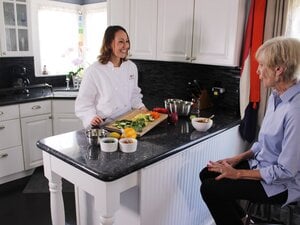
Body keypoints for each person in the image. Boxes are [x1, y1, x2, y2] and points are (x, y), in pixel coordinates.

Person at [199, 37, 300, 225]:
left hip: (281, 184)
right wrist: (239, 158)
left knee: (211, 189)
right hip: (261, 166)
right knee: (207, 173)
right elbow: (264, 143)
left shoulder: (296, 110)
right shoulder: (276, 97)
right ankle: (243, 220)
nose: (258, 71)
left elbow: (287, 171)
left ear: (279, 70)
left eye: (262, 65)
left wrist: (237, 174)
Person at [75, 25, 146, 128]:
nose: (126, 46)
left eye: (127, 41)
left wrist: (141, 107)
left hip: (127, 123)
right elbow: (83, 103)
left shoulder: (131, 67)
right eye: (121, 42)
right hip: (104, 125)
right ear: (108, 44)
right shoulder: (94, 71)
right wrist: (91, 117)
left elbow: (134, 94)